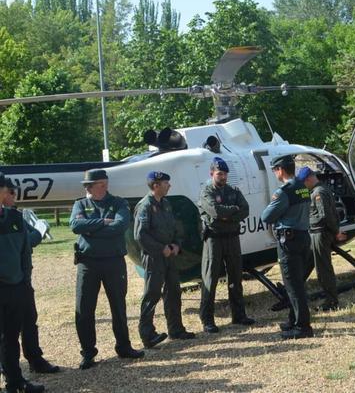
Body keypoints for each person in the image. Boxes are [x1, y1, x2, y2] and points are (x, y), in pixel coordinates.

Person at [70, 169, 144, 370]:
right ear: (89, 187)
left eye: (106, 182)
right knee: (84, 309)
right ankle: (88, 352)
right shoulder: (81, 204)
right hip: (88, 263)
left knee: (118, 306)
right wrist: (103, 222)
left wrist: (91, 229)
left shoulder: (118, 203)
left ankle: (124, 346)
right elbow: (75, 226)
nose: (105, 186)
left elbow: (120, 226)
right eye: (101, 184)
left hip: (113, 261)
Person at [0, 177, 59, 375]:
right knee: (7, 332)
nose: (14, 197)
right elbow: (33, 238)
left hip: (21, 280)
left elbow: (28, 241)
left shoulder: (16, 217)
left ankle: (34, 359)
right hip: (8, 282)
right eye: (11, 193)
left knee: (28, 320)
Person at [134, 171, 196, 349]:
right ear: (156, 186)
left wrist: (176, 245)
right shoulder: (145, 206)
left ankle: (176, 329)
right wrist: (161, 248)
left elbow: (174, 228)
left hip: (169, 256)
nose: (169, 186)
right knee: (152, 294)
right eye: (166, 183)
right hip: (154, 257)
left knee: (174, 292)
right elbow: (140, 235)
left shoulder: (166, 204)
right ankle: (147, 334)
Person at [198, 157, 255, 334]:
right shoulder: (206, 191)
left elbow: (245, 210)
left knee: (236, 278)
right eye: (219, 174)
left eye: (225, 174)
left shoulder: (233, 190)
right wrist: (233, 211)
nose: (223, 177)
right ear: (212, 173)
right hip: (214, 239)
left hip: (232, 238)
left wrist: (227, 214)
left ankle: (239, 315)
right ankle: (207, 320)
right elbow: (215, 211)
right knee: (210, 279)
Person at [261, 155, 313, 339]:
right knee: (297, 282)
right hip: (303, 238)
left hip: (289, 241)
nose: (275, 173)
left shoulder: (284, 192)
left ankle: (303, 327)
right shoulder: (303, 188)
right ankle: (293, 319)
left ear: (280, 170)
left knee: (293, 286)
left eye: (275, 170)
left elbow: (266, 217)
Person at [300, 166, 346, 312]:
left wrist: (336, 232)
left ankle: (331, 301)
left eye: (303, 183)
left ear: (308, 179)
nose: (304, 186)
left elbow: (325, 215)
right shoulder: (319, 190)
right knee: (307, 263)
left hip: (320, 233)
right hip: (315, 233)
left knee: (323, 269)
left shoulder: (319, 192)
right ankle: (295, 289)